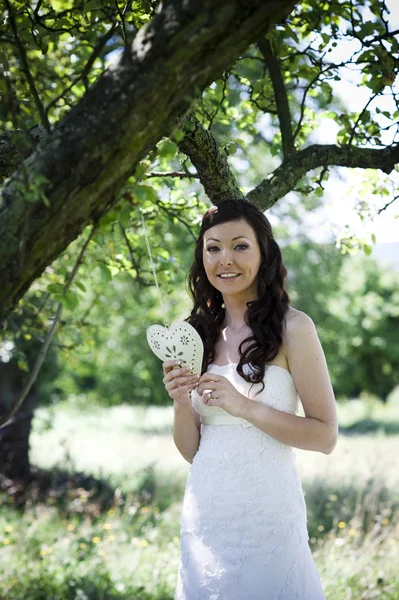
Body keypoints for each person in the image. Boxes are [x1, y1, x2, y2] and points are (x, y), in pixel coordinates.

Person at [162, 199, 338, 599]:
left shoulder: (294, 327)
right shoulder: (196, 334)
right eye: (213, 247)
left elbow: (325, 436)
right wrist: (178, 400)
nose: (225, 259)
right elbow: (193, 451)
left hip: (269, 519)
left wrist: (243, 406)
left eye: (240, 246)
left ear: (264, 253)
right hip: (207, 515)